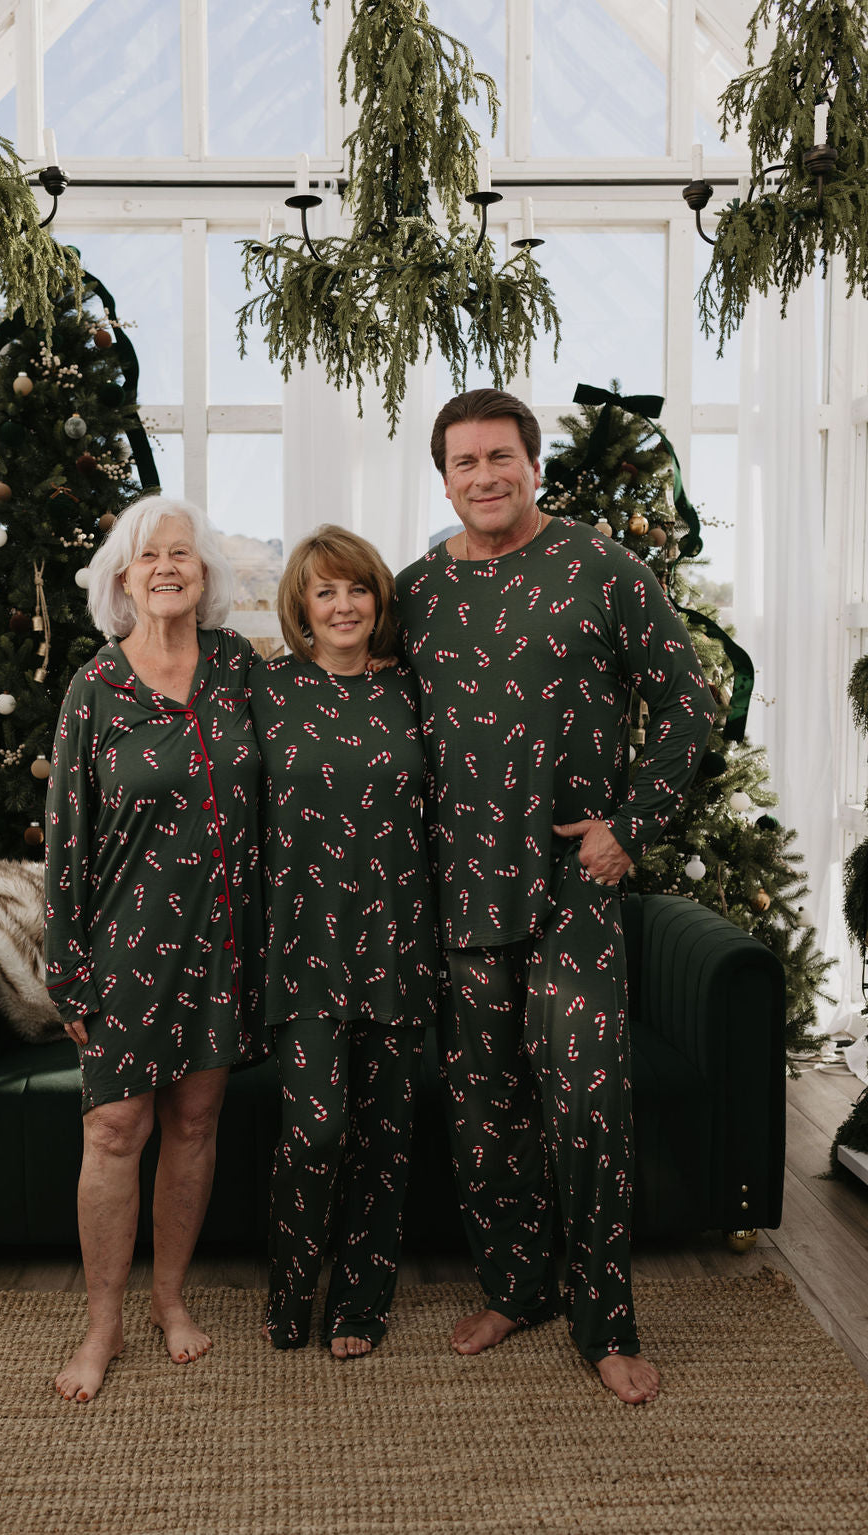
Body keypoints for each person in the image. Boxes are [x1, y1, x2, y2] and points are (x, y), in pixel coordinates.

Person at [395, 388, 714, 1404]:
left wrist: (633, 823)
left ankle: (605, 1322)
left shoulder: (602, 568)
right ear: (444, 480)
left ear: (534, 465)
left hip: (572, 886)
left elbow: (688, 701)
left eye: (501, 456)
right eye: (464, 462)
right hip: (457, 888)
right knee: (483, 1107)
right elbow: (364, 711)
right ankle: (515, 1288)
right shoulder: (414, 592)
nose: (484, 475)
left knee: (586, 1103)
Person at [44, 492, 264, 1402]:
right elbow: (65, 834)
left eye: (182, 552)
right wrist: (67, 971)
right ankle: (103, 1324)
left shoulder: (239, 668)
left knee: (195, 1122)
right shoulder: (96, 687)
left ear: (203, 574)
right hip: (126, 947)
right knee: (114, 1128)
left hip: (223, 941)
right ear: (123, 579)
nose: (167, 567)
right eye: (148, 556)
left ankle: (171, 1298)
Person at [248, 526, 438, 1358]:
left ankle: (361, 1302)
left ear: (378, 598)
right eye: (324, 591)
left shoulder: (413, 689)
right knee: (316, 1130)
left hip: (397, 938)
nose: (343, 605)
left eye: (357, 588)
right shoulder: (265, 689)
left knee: (385, 1137)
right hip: (302, 945)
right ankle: (291, 1292)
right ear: (302, 606)